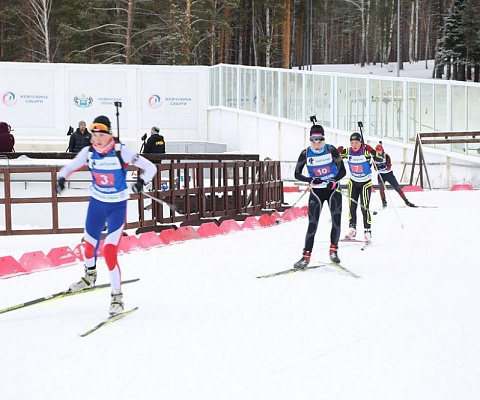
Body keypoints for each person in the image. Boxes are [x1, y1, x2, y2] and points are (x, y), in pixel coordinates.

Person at [56, 115, 157, 315]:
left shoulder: (122, 152)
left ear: (109, 134)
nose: (98, 139)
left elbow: (150, 167)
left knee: (109, 252)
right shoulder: (88, 152)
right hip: (96, 204)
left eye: (102, 134)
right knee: (89, 245)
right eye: (95, 134)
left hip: (116, 207)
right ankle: (89, 276)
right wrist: (61, 177)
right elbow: (70, 167)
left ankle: (117, 297)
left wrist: (141, 181)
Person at [293, 124, 346, 268]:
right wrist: (310, 180)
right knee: (312, 224)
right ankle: (305, 257)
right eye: (313, 140)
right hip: (316, 192)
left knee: (336, 221)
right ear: (309, 139)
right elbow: (296, 174)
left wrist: (334, 180)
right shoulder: (305, 153)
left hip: (333, 190)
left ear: (324, 139)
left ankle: (333, 251)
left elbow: (343, 171)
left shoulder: (331, 150)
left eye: (320, 139)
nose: (317, 143)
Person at [338, 132, 382, 243]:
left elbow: (380, 159)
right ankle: (352, 229)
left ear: (361, 142)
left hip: (365, 183)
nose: (354, 145)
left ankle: (367, 232)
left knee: (364, 207)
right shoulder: (348, 151)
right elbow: (334, 159)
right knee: (352, 206)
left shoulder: (366, 151)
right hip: (353, 182)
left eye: (356, 142)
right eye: (352, 142)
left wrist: (372, 150)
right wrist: (337, 152)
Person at [374, 143, 415, 208]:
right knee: (381, 189)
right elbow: (375, 169)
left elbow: (388, 167)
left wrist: (382, 165)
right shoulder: (374, 158)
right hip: (381, 175)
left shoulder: (386, 156)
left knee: (397, 188)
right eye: (377, 151)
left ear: (382, 150)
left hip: (389, 174)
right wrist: (376, 166)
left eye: (379, 150)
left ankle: (406, 201)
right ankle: (384, 202)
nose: (378, 152)